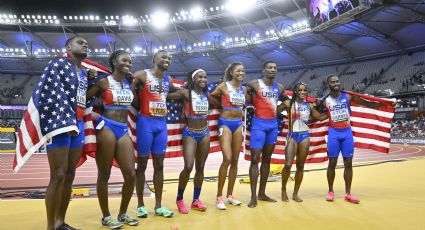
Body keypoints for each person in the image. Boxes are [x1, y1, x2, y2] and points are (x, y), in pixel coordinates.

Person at [35, 36, 88, 230]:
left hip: (79, 124)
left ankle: (60, 222)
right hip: (61, 123)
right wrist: (66, 120)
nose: (85, 44)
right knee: (57, 174)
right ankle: (50, 226)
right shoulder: (57, 64)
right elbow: (49, 93)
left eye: (86, 43)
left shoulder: (84, 73)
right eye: (80, 42)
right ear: (68, 47)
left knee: (70, 174)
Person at [321, 74, 393, 203]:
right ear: (328, 84)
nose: (336, 84)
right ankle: (330, 191)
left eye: (337, 81)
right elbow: (317, 115)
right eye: (333, 82)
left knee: (348, 163)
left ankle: (348, 193)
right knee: (332, 163)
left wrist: (385, 104)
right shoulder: (325, 100)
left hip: (347, 133)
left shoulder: (348, 96)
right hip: (333, 133)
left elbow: (367, 104)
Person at [87, 50, 139, 228]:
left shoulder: (128, 84)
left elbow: (137, 105)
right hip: (106, 126)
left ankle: (123, 214)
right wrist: (88, 79)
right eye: (124, 60)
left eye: (130, 62)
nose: (128, 64)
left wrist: (133, 83)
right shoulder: (104, 81)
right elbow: (85, 97)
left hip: (123, 129)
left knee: (131, 174)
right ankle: (106, 216)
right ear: (114, 62)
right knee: (105, 174)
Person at [167, 69, 219, 214]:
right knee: (188, 166)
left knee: (200, 168)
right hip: (189, 133)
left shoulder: (207, 95)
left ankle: (196, 200)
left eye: (205, 77)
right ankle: (179, 199)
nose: (203, 79)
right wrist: (169, 83)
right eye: (200, 77)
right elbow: (166, 96)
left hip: (205, 133)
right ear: (193, 79)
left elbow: (222, 102)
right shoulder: (186, 93)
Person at [132, 50, 177, 218]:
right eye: (163, 57)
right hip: (145, 123)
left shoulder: (168, 79)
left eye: (169, 58)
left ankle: (159, 205)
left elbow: (171, 93)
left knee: (159, 165)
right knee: (142, 165)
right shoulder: (142, 75)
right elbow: (131, 93)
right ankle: (140, 205)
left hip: (161, 125)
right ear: (154, 59)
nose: (167, 60)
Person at [245, 61, 289, 208]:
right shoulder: (254, 84)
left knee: (267, 159)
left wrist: (283, 106)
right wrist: (248, 104)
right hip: (259, 124)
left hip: (272, 125)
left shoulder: (280, 87)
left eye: (275, 68)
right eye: (270, 67)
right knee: (255, 159)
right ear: (263, 70)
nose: (273, 70)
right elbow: (243, 95)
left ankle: (262, 193)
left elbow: (286, 101)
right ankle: (253, 197)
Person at [278, 82, 327, 202]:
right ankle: (283, 190)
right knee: (288, 164)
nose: (302, 92)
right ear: (295, 91)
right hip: (292, 136)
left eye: (304, 90)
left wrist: (333, 112)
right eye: (299, 90)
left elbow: (320, 117)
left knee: (300, 166)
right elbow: (274, 111)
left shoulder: (309, 106)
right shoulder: (288, 103)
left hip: (304, 136)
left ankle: (295, 193)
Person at [211, 62, 247, 210]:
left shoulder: (244, 89)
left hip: (238, 124)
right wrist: (219, 103)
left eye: (243, 71)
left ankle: (230, 195)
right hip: (224, 123)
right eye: (238, 71)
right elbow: (210, 97)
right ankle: (219, 197)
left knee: (235, 160)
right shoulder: (223, 86)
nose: (241, 73)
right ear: (231, 73)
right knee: (227, 158)